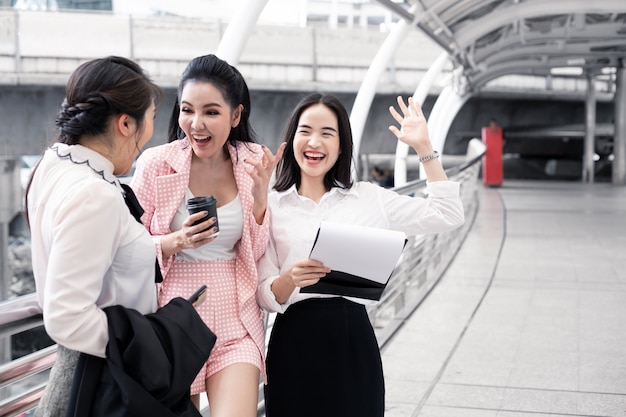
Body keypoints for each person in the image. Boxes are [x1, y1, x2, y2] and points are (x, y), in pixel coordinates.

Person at [256, 93, 465, 417]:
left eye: (327, 133)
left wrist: (424, 149)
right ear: (292, 137)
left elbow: (448, 214)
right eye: (305, 130)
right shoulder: (273, 206)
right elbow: (262, 290)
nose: (314, 141)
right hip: (293, 343)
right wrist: (288, 280)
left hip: (352, 342)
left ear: (342, 145)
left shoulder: (369, 198)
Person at [26, 56, 213, 417]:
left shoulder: (53, 166)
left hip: (88, 371)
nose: (150, 133)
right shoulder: (94, 194)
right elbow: (67, 317)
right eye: (152, 117)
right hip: (103, 380)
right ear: (126, 123)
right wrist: (151, 339)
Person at [130, 54, 284, 416]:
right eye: (187, 110)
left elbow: (257, 252)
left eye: (211, 112)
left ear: (235, 115)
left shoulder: (253, 162)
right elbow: (127, 247)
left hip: (235, 318)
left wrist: (261, 202)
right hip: (172, 320)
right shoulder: (157, 163)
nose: (196, 124)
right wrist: (173, 242)